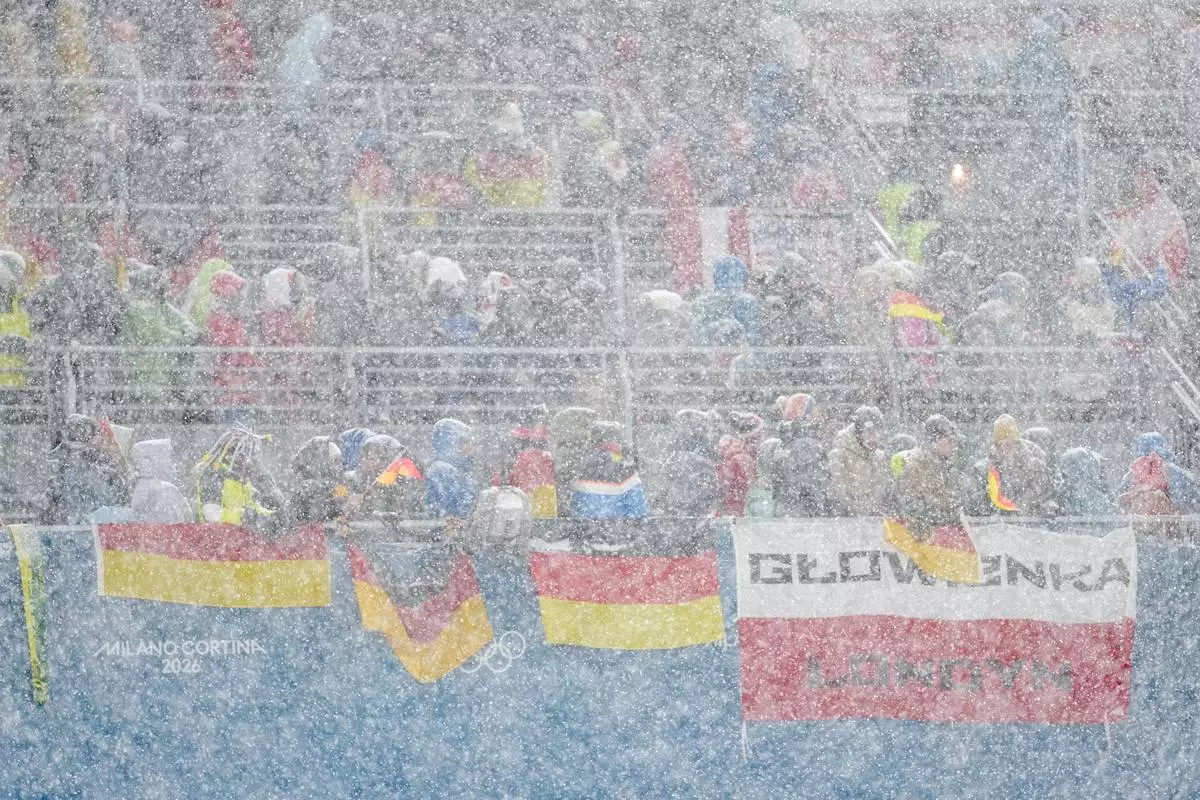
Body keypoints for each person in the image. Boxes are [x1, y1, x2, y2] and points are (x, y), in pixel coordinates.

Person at [193, 427, 284, 533]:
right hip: (213, 541)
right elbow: (212, 514)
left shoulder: (242, 480)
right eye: (247, 456)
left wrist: (270, 516)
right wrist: (243, 517)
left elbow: (252, 508)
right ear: (233, 454)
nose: (251, 462)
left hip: (236, 541)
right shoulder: (213, 475)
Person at [46, 414, 132, 525]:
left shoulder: (110, 470)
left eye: (103, 437)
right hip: (82, 517)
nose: (98, 439)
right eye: (99, 434)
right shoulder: (81, 461)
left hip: (92, 518)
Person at [464, 102, 548, 208]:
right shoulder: (537, 157)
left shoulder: (537, 157)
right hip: (515, 214)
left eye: (514, 119)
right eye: (508, 119)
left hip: (504, 214)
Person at [894, 414, 967, 534]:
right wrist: (946, 517)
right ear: (935, 440)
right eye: (950, 440)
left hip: (942, 540)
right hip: (922, 541)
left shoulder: (945, 466)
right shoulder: (915, 466)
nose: (953, 445)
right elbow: (910, 508)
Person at [980, 414, 1057, 516]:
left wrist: (1020, 507)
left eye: (1008, 445)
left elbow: (1042, 492)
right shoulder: (988, 466)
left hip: (1032, 521)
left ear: (1017, 443)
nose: (1003, 449)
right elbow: (988, 501)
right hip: (1002, 522)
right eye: (999, 445)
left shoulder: (1034, 461)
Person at [570, 420, 648, 518]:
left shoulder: (582, 470)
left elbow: (577, 509)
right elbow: (638, 512)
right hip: (617, 530)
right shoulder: (626, 473)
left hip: (588, 530)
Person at [828, 406, 890, 516]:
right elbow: (838, 489)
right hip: (843, 518)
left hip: (870, 517)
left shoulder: (879, 456)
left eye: (877, 432)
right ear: (858, 432)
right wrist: (856, 511)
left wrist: (869, 508)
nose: (875, 437)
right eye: (869, 432)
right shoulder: (839, 453)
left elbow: (879, 487)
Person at [1119, 433, 1200, 514]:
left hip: (1140, 520)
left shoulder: (1133, 472)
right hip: (1168, 519)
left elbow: (1122, 497)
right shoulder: (1174, 472)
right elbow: (1187, 499)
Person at [661, 408, 721, 517]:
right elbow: (708, 497)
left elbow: (668, 492)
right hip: (697, 518)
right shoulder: (702, 464)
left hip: (675, 519)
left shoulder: (672, 460)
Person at [692, 255, 762, 347]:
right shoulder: (704, 303)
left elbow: (754, 336)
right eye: (725, 275)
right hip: (714, 353)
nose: (729, 281)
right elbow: (697, 336)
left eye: (735, 276)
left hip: (740, 352)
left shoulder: (748, 303)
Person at [499, 425, 557, 519]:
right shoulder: (549, 458)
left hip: (521, 504)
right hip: (547, 504)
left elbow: (504, 482)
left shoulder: (518, 459)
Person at [129, 438, 193, 523]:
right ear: (155, 461)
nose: (170, 462)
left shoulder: (139, 487)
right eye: (167, 457)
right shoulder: (166, 489)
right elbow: (182, 522)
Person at [426, 418, 477, 519]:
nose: (471, 447)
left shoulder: (458, 470)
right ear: (453, 445)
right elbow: (456, 510)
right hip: (449, 531)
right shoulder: (442, 469)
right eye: (464, 442)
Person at [288, 436, 345, 525]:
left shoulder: (335, 482)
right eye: (334, 460)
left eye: (339, 460)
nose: (339, 465)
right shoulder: (308, 487)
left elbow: (342, 497)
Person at [1059, 447, 1117, 517]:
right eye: (1069, 466)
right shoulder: (1061, 494)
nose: (1070, 470)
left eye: (1073, 465)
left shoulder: (1096, 498)